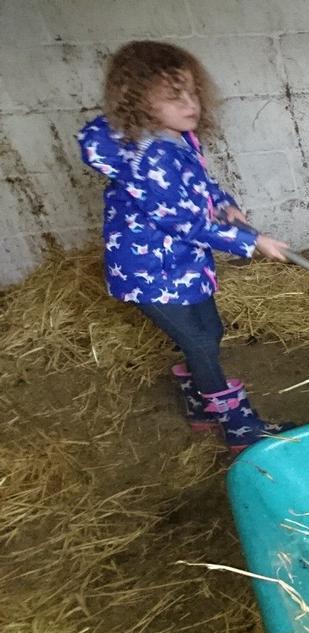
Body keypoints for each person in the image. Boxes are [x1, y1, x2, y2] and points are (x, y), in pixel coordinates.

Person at [78, 40, 294, 454]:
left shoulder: (176, 140)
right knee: (197, 341)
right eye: (173, 97)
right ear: (138, 101)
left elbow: (199, 186)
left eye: (192, 92)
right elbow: (180, 219)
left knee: (209, 330)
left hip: (180, 261)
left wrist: (224, 203)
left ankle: (199, 405)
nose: (190, 104)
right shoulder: (152, 155)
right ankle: (238, 426)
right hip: (148, 270)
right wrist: (252, 243)